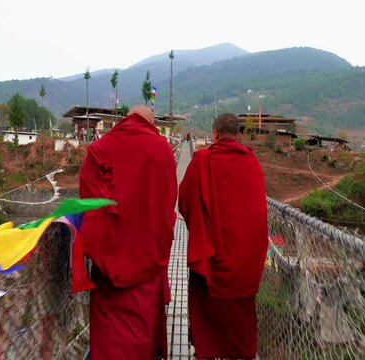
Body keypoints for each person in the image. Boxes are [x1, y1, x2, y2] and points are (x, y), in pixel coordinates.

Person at [76, 105, 178, 359]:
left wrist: (102, 246)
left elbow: (87, 203)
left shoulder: (100, 148)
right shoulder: (162, 148)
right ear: (150, 122)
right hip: (148, 257)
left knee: (110, 333)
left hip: (108, 262)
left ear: (127, 118)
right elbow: (167, 207)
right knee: (142, 330)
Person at [178, 113, 268, 360]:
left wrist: (202, 228)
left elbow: (184, 201)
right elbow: (258, 212)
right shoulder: (252, 162)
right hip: (244, 263)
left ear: (215, 134)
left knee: (207, 316)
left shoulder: (203, 159)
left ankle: (207, 352)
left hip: (210, 259)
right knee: (241, 323)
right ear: (238, 136)